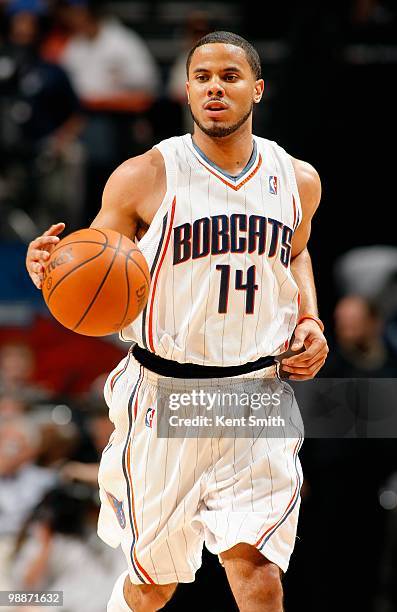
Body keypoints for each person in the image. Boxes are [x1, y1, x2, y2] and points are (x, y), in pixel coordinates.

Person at [26, 31, 328, 612]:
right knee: (154, 586)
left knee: (258, 575)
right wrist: (50, 269)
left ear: (257, 90)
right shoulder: (145, 175)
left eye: (230, 77)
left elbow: (295, 252)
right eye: (202, 77)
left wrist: (309, 319)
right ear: (187, 92)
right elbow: (92, 269)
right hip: (169, 395)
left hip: (255, 392)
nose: (216, 87)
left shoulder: (298, 179)